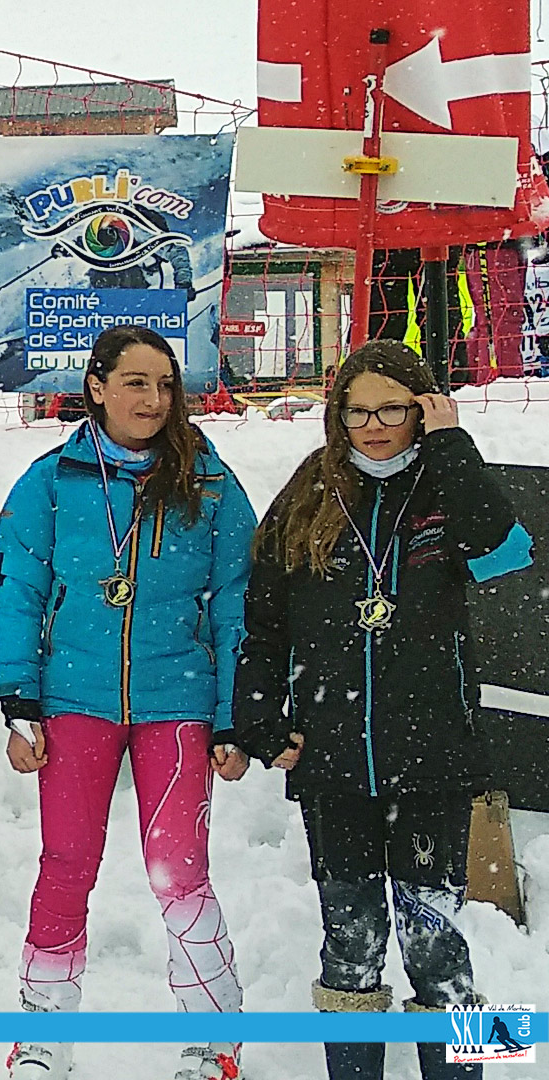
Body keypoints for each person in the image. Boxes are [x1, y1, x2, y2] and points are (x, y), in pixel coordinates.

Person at [233, 341, 532, 1080]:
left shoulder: (445, 484)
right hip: (332, 759)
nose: (373, 427)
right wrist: (262, 718)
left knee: (438, 945)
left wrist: (453, 444)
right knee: (349, 943)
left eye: (392, 409)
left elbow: (504, 552)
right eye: (357, 411)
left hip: (431, 756)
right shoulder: (310, 492)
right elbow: (264, 619)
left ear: (423, 408)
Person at [0, 325, 255, 1080]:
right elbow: (19, 590)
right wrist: (20, 701)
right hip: (75, 698)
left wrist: (236, 715)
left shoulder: (209, 481)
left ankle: (214, 1041)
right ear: (97, 387)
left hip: (178, 700)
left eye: (165, 385)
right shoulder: (50, 481)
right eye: (136, 382)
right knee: (66, 865)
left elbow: (238, 602)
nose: (154, 399)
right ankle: (42, 1035)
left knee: (179, 873)